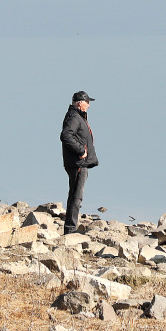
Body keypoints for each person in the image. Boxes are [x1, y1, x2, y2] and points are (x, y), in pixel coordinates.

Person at [59, 90, 98, 234]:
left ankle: (70, 227)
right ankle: (70, 229)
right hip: (77, 163)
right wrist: (81, 151)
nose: (89, 106)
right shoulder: (74, 116)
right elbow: (66, 135)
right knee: (76, 196)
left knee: (75, 194)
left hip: (79, 163)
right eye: (87, 103)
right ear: (80, 103)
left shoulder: (77, 116)